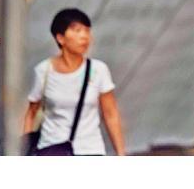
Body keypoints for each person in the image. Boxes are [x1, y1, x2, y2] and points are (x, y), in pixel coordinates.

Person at [23, 8, 125, 155]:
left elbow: (110, 113)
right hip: (52, 150)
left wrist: (121, 154)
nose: (84, 36)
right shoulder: (43, 71)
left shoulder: (98, 70)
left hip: (91, 151)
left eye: (87, 31)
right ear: (60, 38)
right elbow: (31, 112)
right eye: (77, 31)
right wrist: (24, 149)